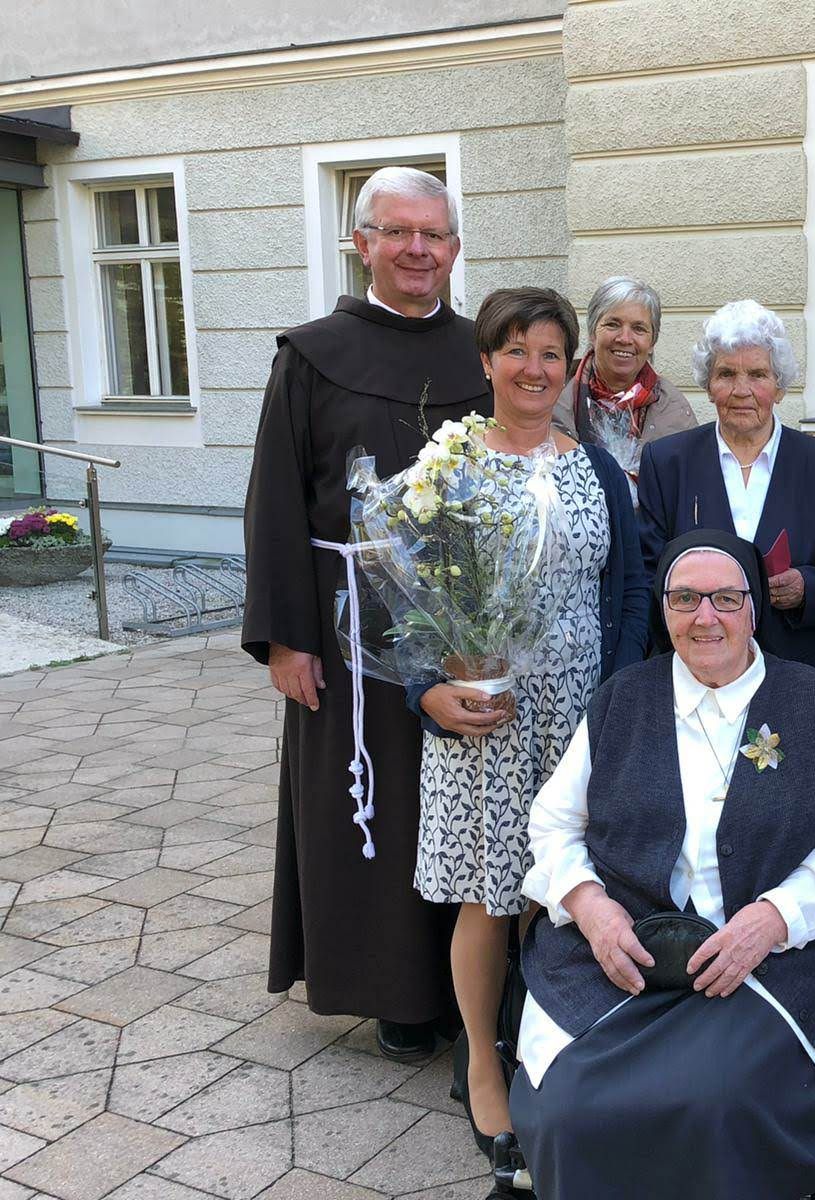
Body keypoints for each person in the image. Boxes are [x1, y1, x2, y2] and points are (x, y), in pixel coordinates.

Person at [509, 528, 815, 1199]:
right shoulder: (623, 698)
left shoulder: (811, 703)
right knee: (569, 1110)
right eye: (685, 599)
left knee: (716, 1103)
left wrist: (772, 917)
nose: (705, 617)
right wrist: (589, 907)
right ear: (664, 609)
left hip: (765, 961)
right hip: (624, 952)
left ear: (754, 609)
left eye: (726, 599)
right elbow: (555, 822)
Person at [406, 287, 651, 1182]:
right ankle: (481, 1061)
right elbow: (401, 603)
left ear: (570, 366)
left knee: (563, 893)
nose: (535, 369)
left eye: (552, 353)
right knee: (490, 895)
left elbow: (628, 590)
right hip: (484, 720)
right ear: (486, 362)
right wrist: (428, 693)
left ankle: (549, 1049)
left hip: (579, 717)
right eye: (516, 351)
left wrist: (616, 700)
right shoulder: (447, 467)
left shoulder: (594, 467)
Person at [242, 165, 483, 1062]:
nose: (418, 250)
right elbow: (273, 502)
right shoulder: (310, 356)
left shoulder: (482, 353)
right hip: (345, 634)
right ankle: (396, 995)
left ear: (454, 248)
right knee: (372, 809)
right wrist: (285, 639)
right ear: (363, 243)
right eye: (398, 232)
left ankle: (474, 981)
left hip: (467, 627)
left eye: (434, 234)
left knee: (461, 800)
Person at [636, 299, 815, 681]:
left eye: (758, 374)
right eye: (726, 373)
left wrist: (805, 587)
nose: (741, 390)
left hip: (795, 672)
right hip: (695, 672)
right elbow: (647, 573)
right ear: (708, 386)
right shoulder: (667, 462)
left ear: (779, 387)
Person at [553, 275, 698, 496]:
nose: (625, 338)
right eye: (613, 324)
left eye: (639, 329)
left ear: (652, 342)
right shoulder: (554, 398)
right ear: (593, 333)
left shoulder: (676, 412)